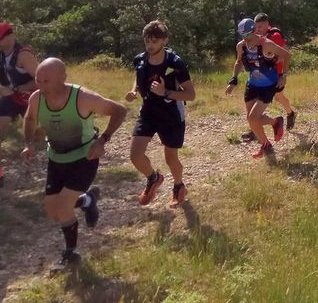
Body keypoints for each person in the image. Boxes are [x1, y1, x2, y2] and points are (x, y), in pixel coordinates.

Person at [21, 58, 127, 271]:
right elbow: (30, 119)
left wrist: (102, 140)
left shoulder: (83, 98)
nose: (41, 85)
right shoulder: (36, 98)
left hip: (84, 158)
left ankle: (71, 253)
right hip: (56, 158)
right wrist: (28, 143)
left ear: (63, 78)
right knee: (53, 211)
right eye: (38, 80)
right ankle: (88, 200)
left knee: (63, 208)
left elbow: (120, 110)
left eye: (46, 81)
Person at [126, 21, 195, 208]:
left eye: (154, 41)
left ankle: (179, 186)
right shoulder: (140, 60)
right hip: (148, 112)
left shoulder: (175, 63)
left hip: (171, 114)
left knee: (170, 157)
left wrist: (165, 92)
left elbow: (191, 94)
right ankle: (154, 178)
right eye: (147, 41)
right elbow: (138, 74)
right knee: (135, 155)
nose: (150, 45)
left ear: (164, 41)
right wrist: (134, 90)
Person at [225, 18, 291, 158]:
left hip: (268, 85)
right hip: (252, 84)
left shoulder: (266, 44)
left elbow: (286, 55)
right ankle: (268, 139)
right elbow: (238, 62)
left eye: (247, 34)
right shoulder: (241, 46)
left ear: (255, 31)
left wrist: (283, 76)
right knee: (252, 120)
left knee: (253, 117)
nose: (245, 38)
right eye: (242, 35)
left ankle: (273, 128)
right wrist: (233, 80)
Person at [238, 13, 297, 142]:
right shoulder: (254, 38)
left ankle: (290, 113)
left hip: (276, 72)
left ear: (267, 24)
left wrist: (274, 64)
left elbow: (285, 52)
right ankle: (255, 129)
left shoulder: (274, 36)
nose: (257, 29)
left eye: (260, 26)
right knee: (257, 106)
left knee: (279, 97)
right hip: (261, 76)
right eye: (256, 26)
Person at [0, 22, 38, 186]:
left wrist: (20, 88)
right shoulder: (1, 55)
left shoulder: (24, 55)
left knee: (41, 132)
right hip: (11, 98)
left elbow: (41, 80)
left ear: (9, 36)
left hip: (30, 98)